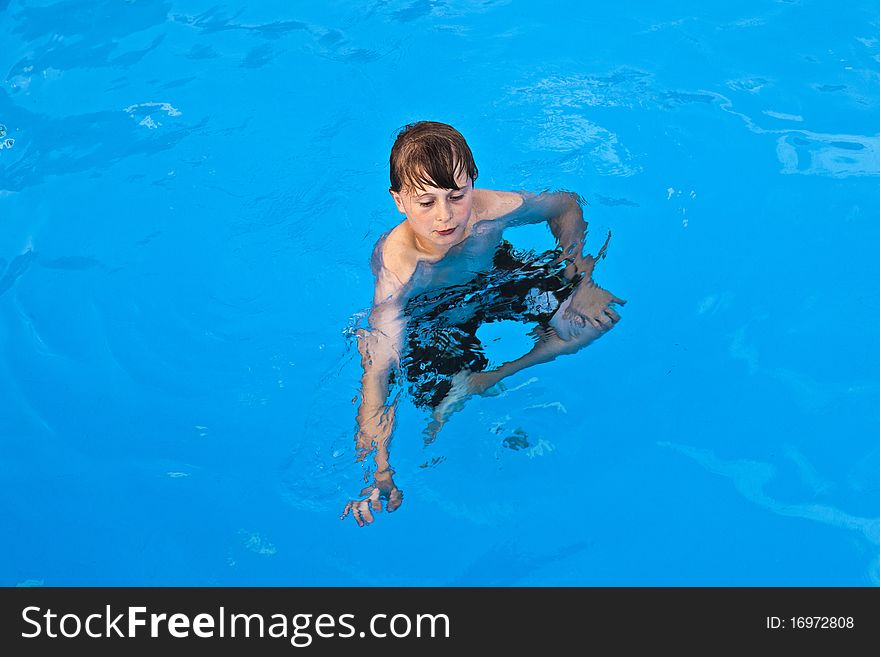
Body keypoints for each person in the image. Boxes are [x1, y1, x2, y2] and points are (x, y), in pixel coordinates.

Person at [340, 121, 625, 526]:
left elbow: (566, 205)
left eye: (457, 196)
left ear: (473, 181)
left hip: (497, 277)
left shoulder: (492, 210)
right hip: (435, 316)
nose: (446, 216)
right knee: (440, 403)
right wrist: (379, 466)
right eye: (426, 203)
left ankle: (498, 373)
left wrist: (581, 279)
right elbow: (378, 367)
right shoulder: (400, 270)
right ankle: (472, 382)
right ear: (399, 201)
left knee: (590, 323)